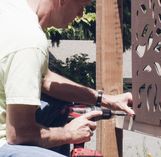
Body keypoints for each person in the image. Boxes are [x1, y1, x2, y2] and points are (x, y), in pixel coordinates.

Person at [0, 0, 135, 156]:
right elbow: (19, 134)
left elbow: (44, 79)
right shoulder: (29, 40)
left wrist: (107, 100)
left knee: (55, 106)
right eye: (82, 5)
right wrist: (68, 133)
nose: (80, 14)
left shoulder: (11, 9)